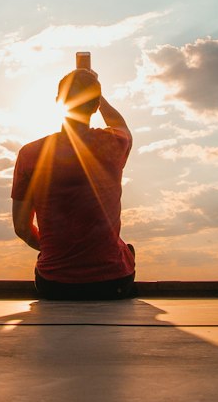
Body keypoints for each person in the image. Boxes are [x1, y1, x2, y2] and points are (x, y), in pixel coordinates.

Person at [11, 67, 136, 300]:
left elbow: (22, 228)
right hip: (112, 283)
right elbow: (121, 125)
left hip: (54, 284)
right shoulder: (113, 144)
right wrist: (99, 94)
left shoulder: (29, 154)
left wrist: (58, 253)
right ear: (96, 105)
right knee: (126, 251)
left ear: (59, 102)